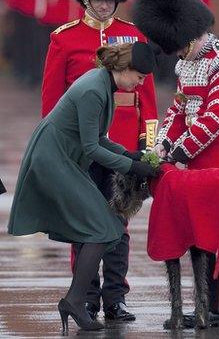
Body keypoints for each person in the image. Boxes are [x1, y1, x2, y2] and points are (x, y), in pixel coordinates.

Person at [41, 0, 158, 321]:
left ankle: (116, 296)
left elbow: (149, 102)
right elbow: (52, 103)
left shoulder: (134, 36)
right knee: (84, 223)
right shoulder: (65, 39)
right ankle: (86, 294)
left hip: (122, 146)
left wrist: (149, 145)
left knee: (119, 225)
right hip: (80, 148)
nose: (106, 2)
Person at [7, 42, 159, 332]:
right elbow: (92, 147)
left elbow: (99, 138)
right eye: (139, 76)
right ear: (123, 69)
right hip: (54, 159)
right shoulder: (93, 89)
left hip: (64, 156)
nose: (140, 83)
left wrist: (130, 154)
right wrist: (131, 166)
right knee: (101, 226)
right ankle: (75, 301)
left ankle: (74, 301)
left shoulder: (104, 84)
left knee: (107, 225)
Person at [133, 0, 219, 328]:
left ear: (186, 39)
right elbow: (178, 110)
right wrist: (162, 145)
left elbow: (213, 120)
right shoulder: (188, 63)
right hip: (197, 154)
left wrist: (180, 150)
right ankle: (202, 304)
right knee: (198, 229)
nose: (177, 57)